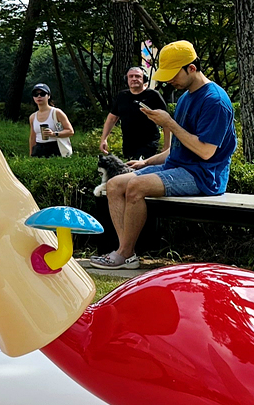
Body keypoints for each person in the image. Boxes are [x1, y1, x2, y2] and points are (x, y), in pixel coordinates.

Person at [91, 41, 236, 270]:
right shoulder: (186, 96)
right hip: (177, 168)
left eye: (173, 74)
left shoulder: (215, 101)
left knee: (136, 187)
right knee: (115, 184)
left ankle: (124, 253)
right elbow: (178, 147)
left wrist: (169, 123)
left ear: (191, 68)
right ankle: (125, 253)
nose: (169, 80)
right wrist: (146, 162)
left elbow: (206, 151)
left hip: (203, 175)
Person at [98, 66, 165, 160]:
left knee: (140, 165)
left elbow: (166, 122)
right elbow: (112, 118)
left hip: (148, 143)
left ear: (144, 78)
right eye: (131, 76)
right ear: (126, 79)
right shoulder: (122, 96)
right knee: (130, 165)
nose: (134, 79)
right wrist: (104, 139)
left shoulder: (153, 95)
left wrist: (167, 145)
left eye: (137, 76)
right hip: (128, 144)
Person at [25, 84, 72, 157]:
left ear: (49, 96)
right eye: (36, 94)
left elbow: (70, 131)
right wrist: (31, 155)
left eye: (42, 94)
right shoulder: (32, 117)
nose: (39, 96)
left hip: (55, 148)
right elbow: (32, 137)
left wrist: (54, 134)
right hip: (38, 149)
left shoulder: (56, 112)